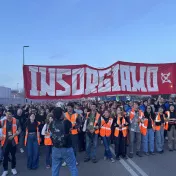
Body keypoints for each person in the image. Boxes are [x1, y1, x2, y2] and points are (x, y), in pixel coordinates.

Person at [50, 107, 78, 176]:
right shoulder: (66, 122)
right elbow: (71, 127)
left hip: (56, 148)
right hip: (67, 148)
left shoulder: (52, 123)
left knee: (55, 168)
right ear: (62, 113)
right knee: (72, 167)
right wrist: (65, 117)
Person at [0, 110, 21, 176]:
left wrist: (14, 135)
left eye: (9, 114)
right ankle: (5, 170)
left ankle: (13, 168)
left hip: (13, 141)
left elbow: (19, 129)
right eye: (7, 114)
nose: (8, 115)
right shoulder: (2, 121)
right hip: (4, 142)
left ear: (12, 114)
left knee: (13, 156)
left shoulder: (16, 121)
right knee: (5, 156)